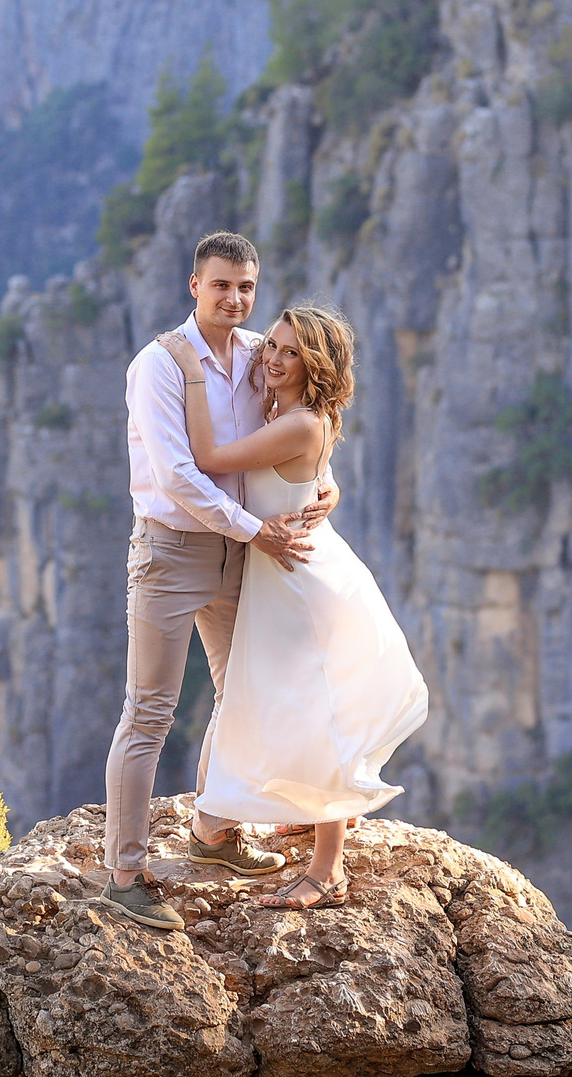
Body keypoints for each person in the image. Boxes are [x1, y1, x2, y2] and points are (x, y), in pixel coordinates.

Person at [101, 231, 336, 932]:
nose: (235, 298)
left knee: (244, 696)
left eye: (246, 286)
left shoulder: (263, 352)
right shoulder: (159, 365)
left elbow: (304, 420)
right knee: (149, 710)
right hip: (172, 552)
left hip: (244, 553)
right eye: (222, 285)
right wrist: (254, 528)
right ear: (194, 286)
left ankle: (213, 829)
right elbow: (178, 473)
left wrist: (326, 484)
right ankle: (124, 875)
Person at [156, 304, 427, 910]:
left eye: (292, 352)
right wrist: (329, 489)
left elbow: (207, 457)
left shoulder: (300, 422)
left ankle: (327, 869)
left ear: (316, 364)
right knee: (294, 704)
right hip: (290, 571)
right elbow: (316, 478)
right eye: (272, 347)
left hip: (302, 581)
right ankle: (307, 815)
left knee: (316, 714)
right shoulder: (297, 414)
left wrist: (189, 370)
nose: (274, 359)